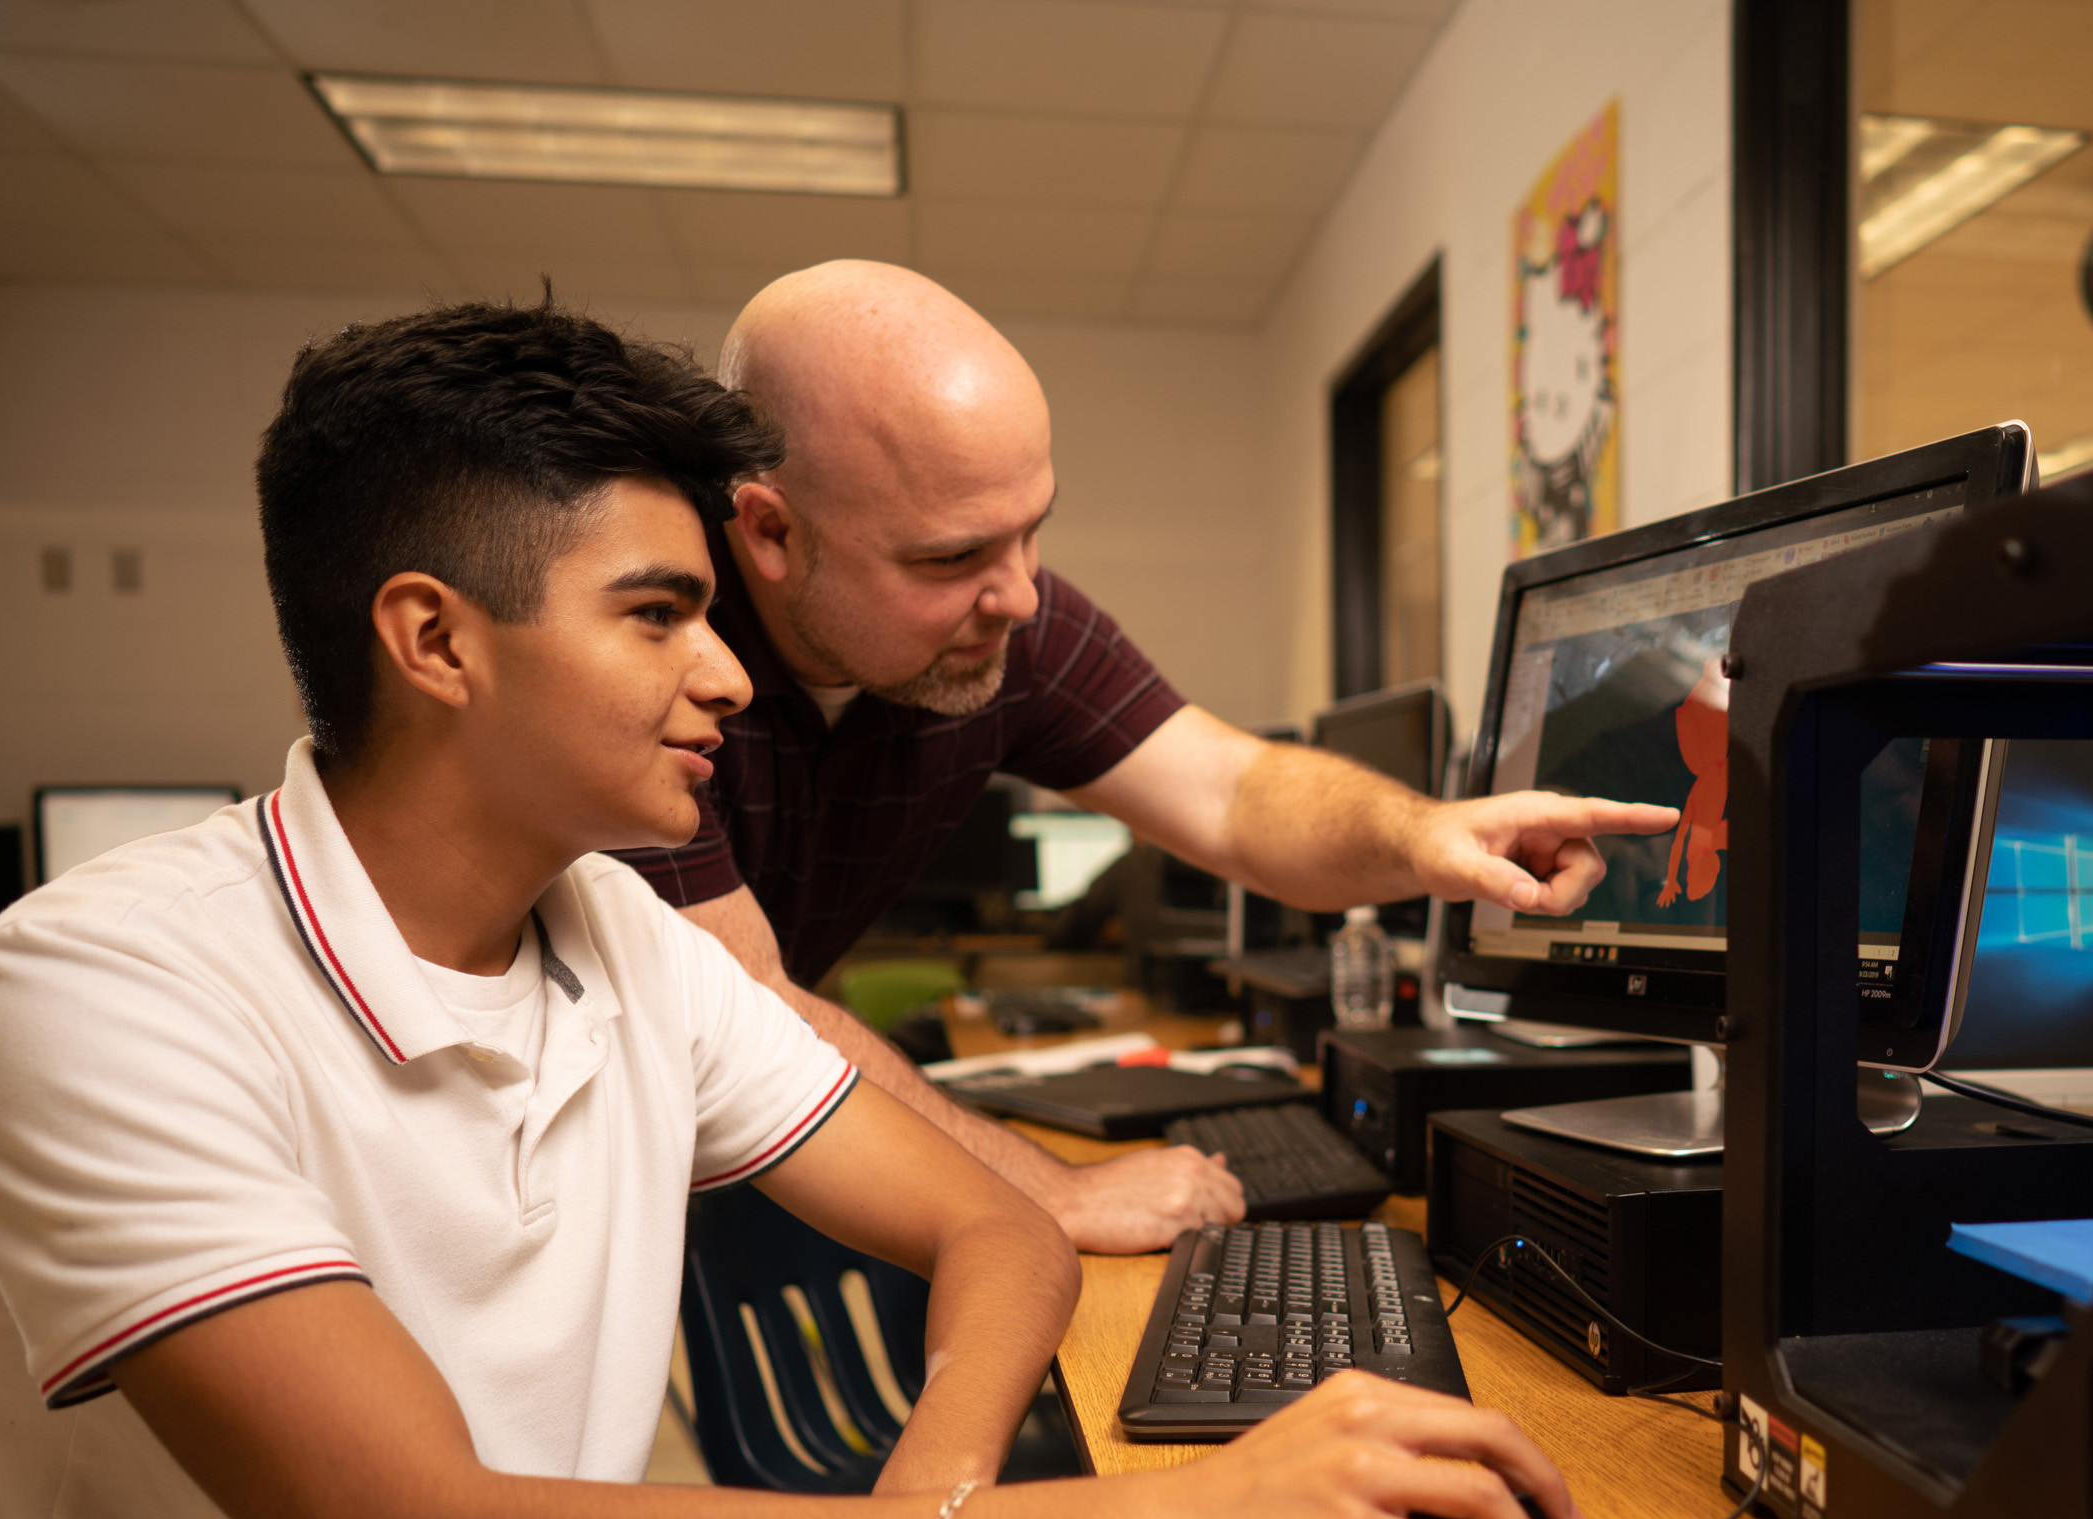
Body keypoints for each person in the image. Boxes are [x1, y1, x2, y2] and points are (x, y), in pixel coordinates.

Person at [0, 299, 1582, 1519]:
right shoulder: (95, 989)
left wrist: (940, 1511)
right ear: (436, 640)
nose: (728, 674)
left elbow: (1003, 1237)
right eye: (660, 615)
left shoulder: (621, 938)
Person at [613, 260, 1679, 1257]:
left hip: (754, 1125)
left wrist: (1422, 833)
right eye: (953, 557)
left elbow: (1233, 791)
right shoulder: (648, 657)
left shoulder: (1004, 629)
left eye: (1033, 532)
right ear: (768, 532)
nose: (1020, 595)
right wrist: (1054, 1188)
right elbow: (746, 1004)